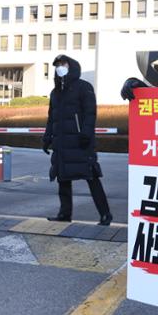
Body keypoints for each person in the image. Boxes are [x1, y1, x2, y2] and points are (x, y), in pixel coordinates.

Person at [43, 54, 113, 225]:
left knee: (91, 176)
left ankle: (105, 214)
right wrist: (47, 137)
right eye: (58, 65)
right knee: (63, 178)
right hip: (61, 143)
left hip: (80, 141)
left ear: (71, 66)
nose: (60, 67)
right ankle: (64, 213)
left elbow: (90, 113)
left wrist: (86, 133)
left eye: (63, 64)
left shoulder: (84, 87)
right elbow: (51, 117)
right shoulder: (55, 92)